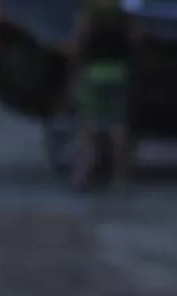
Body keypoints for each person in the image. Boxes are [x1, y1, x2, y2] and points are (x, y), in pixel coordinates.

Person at [62, 0, 132, 191]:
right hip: (119, 72)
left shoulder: (89, 9)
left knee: (87, 127)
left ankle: (82, 175)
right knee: (118, 127)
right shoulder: (121, 10)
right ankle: (120, 178)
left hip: (93, 74)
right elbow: (136, 38)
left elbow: (79, 43)